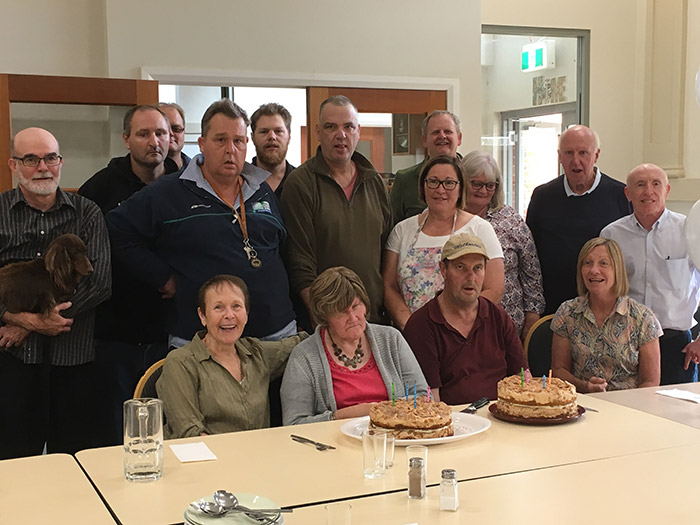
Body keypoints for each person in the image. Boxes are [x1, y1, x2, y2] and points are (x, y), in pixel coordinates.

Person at [106, 98, 296, 348]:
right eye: (220, 140)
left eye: (238, 141)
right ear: (202, 144)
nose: (231, 149)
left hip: (275, 335)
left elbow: (282, 248)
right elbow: (116, 229)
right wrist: (162, 276)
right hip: (202, 343)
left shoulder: (261, 189)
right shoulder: (169, 191)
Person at [0, 127, 111, 458]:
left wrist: (39, 320)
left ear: (60, 162)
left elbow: (100, 282)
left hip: (74, 361)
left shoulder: (87, 212)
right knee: (13, 463)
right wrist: (18, 319)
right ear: (13, 164)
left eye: (50, 157)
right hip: (11, 362)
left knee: (77, 462)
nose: (42, 167)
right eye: (31, 159)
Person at [79, 105, 179, 445]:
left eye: (161, 133)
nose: (155, 141)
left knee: (170, 430)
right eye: (143, 134)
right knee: (114, 433)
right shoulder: (99, 189)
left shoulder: (187, 185)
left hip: (170, 331)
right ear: (126, 139)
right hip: (115, 333)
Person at [281, 95, 392, 325]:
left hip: (373, 319)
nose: (340, 135)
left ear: (358, 131)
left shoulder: (374, 182)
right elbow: (299, 261)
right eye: (331, 127)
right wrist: (322, 318)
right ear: (318, 132)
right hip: (327, 321)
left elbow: (386, 252)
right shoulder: (300, 183)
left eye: (348, 126)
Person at [156, 275, 307, 438]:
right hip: (205, 460)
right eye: (218, 307)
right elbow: (189, 432)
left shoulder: (256, 352)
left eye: (236, 306)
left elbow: (303, 343)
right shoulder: (180, 363)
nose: (229, 315)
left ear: (246, 314)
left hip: (257, 456)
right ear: (202, 316)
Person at [281, 267, 427, 425]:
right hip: (332, 444)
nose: (353, 318)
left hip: (393, 439)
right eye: (342, 312)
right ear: (325, 316)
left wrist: (387, 413)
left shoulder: (391, 339)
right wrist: (341, 416)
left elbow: (423, 396)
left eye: (356, 306)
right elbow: (293, 424)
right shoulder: (304, 357)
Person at [602, 164, 700, 385]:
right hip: (626, 342)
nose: (648, 191)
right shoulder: (611, 235)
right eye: (640, 185)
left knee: (674, 414)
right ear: (628, 193)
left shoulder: (690, 230)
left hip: (675, 344)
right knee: (629, 411)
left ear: (667, 190)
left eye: (656, 184)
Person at [383, 155, 504, 329]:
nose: (440, 190)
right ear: (423, 186)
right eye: (433, 181)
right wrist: (411, 325)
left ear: (460, 187)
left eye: (449, 183)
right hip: (410, 336)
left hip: (464, 333)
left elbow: (495, 288)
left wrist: (458, 324)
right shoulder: (402, 231)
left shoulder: (480, 229)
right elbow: (389, 287)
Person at [403, 233, 525, 404]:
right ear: (443, 270)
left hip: (502, 416)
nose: (470, 277)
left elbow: (523, 379)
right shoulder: (421, 325)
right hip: (452, 422)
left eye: (477, 268)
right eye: (460, 267)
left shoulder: (498, 317)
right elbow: (430, 402)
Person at [526, 125, 631, 315]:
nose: (576, 161)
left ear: (596, 155)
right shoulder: (542, 197)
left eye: (583, 153)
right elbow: (529, 259)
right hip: (553, 310)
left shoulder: (621, 196)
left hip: (606, 311)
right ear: (559, 156)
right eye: (568, 153)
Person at [551, 237, 662, 392]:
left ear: (617, 270)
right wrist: (585, 387)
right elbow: (558, 370)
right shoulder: (567, 312)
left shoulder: (643, 318)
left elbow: (650, 381)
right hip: (582, 405)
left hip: (629, 409)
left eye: (603, 263)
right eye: (587, 263)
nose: (594, 270)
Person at [461, 150, 545, 338]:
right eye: (476, 184)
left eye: (490, 185)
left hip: (505, 323)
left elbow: (531, 271)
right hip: (457, 320)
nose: (483, 191)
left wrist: (532, 315)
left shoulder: (510, 219)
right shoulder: (447, 217)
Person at [391, 110, 462, 223]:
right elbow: (392, 225)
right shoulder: (405, 179)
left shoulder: (474, 176)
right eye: (435, 132)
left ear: (459, 138)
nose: (442, 136)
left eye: (448, 131)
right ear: (424, 140)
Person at [250, 102, 295, 198]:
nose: (272, 137)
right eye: (264, 131)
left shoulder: (302, 182)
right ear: (252, 137)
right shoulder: (239, 183)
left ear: (289, 137)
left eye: (278, 131)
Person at [159, 102, 191, 169]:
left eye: (176, 129)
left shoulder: (197, 171)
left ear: (184, 132)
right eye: (163, 129)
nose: (170, 133)